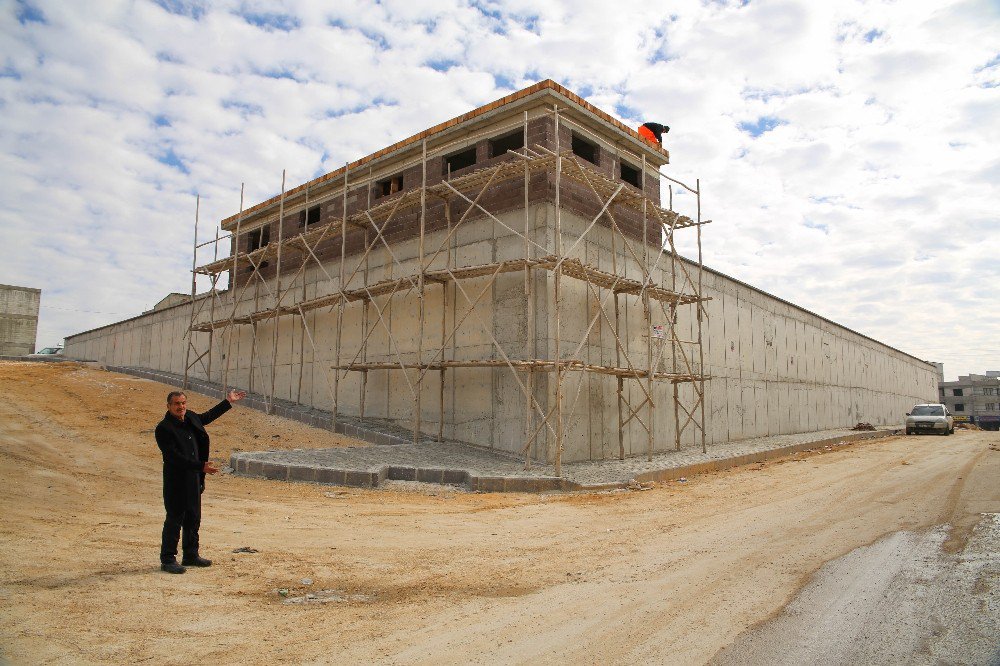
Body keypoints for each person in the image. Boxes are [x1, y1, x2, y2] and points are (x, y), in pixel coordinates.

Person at [156, 388, 246, 574]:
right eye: (176, 404)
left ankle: (190, 554)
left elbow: (207, 416)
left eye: (183, 403)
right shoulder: (164, 428)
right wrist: (200, 466)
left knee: (193, 517)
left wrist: (228, 402)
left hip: (194, 479)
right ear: (169, 406)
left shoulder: (190, 417)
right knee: (174, 519)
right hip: (176, 482)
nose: (180, 407)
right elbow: (174, 458)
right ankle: (168, 559)